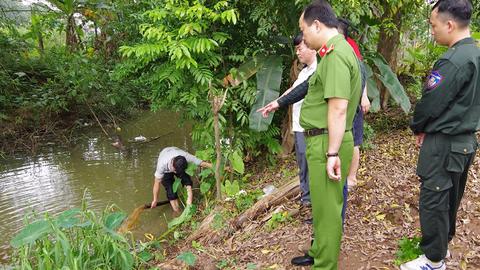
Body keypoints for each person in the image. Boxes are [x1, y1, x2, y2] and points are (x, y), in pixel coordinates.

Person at [258, 1, 362, 268]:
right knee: (320, 205)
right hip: (320, 139)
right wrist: (279, 102)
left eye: (304, 30)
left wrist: (332, 153)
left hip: (328, 141)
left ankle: (325, 263)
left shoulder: (337, 55)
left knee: (328, 211)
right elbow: (309, 89)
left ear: (317, 25)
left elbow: (338, 109)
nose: (302, 37)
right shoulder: (330, 53)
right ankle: (318, 251)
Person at [402, 0, 479, 269]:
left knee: (435, 198)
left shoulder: (454, 59)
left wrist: (419, 126)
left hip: (445, 143)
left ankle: (433, 261)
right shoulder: (475, 54)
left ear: (449, 24)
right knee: (449, 197)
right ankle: (441, 248)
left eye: (434, 25)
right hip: (465, 142)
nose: (432, 31)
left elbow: (431, 103)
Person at [337, 18, 371, 190]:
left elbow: (362, 71)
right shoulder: (330, 47)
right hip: (339, 101)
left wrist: (363, 96)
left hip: (354, 102)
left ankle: (352, 177)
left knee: (354, 141)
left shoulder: (350, 46)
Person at [287, 32, 317, 206]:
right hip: (298, 126)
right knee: (302, 164)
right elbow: (292, 91)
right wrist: (275, 103)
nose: (297, 53)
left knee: (309, 162)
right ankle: (306, 198)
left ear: (312, 48)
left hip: (308, 126)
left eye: (300, 48)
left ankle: (311, 199)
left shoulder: (318, 70)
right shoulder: (304, 72)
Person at [151, 147, 212, 212]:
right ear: (173, 167)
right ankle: (177, 211)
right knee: (170, 190)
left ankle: (189, 204)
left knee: (186, 180)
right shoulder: (161, 165)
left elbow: (202, 163)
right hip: (165, 164)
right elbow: (156, 183)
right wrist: (155, 200)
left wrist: (218, 167)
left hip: (175, 152)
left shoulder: (186, 157)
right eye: (176, 171)